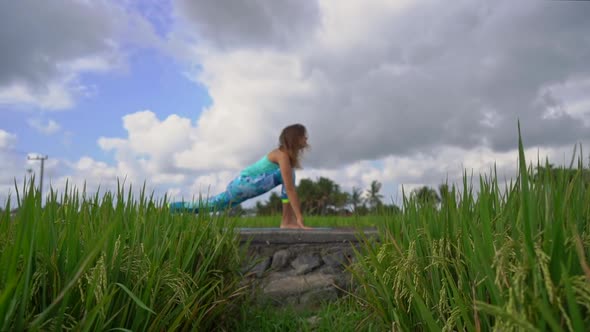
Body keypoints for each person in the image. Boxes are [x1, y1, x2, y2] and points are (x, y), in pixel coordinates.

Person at [169, 123, 311, 229]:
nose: (306, 138)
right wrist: (300, 218)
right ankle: (170, 208)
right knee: (287, 178)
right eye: (303, 135)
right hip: (244, 184)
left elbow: (288, 188)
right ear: (295, 138)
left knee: (214, 205)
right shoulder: (281, 156)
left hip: (244, 185)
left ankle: (172, 208)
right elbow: (290, 189)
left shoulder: (284, 158)